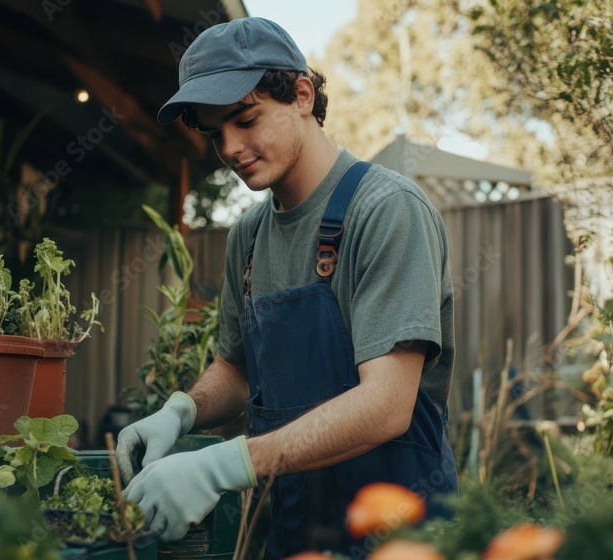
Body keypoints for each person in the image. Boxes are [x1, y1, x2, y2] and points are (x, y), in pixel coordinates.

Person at [118, 16, 458, 558]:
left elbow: (387, 405)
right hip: (299, 532)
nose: (229, 147)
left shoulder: (387, 211)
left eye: (245, 119)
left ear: (302, 94)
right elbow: (235, 368)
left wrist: (224, 464)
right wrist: (181, 411)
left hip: (400, 533)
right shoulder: (249, 238)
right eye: (214, 133)